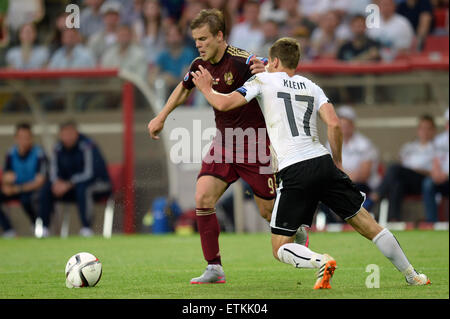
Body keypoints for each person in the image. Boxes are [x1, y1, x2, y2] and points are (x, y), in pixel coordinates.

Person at [191, 36, 431, 288]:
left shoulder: (262, 80)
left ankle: (321, 260)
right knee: (368, 224)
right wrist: (337, 162)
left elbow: (224, 103)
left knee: (280, 247)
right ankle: (412, 275)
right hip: (323, 161)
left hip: (295, 169)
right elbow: (334, 124)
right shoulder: (312, 86)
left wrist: (207, 88)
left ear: (273, 61)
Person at [148, 9, 307, 284]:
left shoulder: (244, 61)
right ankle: (214, 267)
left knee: (267, 212)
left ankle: (298, 231)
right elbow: (184, 87)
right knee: (202, 198)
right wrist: (161, 117)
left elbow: (276, 71)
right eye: (196, 39)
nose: (198, 44)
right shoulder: (200, 63)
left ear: (219, 36)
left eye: (203, 39)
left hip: (255, 145)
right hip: (224, 144)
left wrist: (267, 68)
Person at [46, 120, 112, 237]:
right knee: (47, 188)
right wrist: (56, 182)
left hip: (99, 184)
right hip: (72, 187)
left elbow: (89, 173)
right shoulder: (58, 148)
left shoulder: (87, 145)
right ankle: (44, 228)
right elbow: (53, 170)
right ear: (60, 135)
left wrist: (68, 183)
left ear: (76, 133)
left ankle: (86, 228)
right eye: (64, 134)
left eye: (70, 133)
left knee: (84, 188)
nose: (67, 137)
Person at [370, 114, 437, 221]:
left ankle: (375, 196)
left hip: (423, 181)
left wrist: (414, 170)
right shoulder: (409, 147)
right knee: (396, 183)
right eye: (422, 128)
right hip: (406, 181)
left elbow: (436, 172)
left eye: (428, 128)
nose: (425, 132)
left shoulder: (437, 147)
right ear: (418, 130)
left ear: (433, 131)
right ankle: (393, 220)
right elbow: (401, 162)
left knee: (394, 169)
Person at [0, 123, 50, 238]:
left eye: (27, 137)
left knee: (29, 198)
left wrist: (17, 186)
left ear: (31, 138)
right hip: (16, 189)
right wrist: (7, 185)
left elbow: (39, 181)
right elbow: (7, 176)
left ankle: (38, 225)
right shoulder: (11, 154)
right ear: (16, 138)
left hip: (31, 191)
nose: (24, 141)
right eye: (21, 137)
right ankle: (8, 230)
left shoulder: (39, 154)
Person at [422, 108, 449, 222]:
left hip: (446, 177)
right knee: (428, 184)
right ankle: (432, 222)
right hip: (442, 180)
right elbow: (436, 160)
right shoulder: (440, 140)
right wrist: (436, 173)